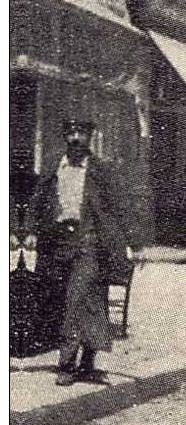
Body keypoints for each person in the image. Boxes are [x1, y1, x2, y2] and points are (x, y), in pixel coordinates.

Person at [26, 118, 139, 385]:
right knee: (85, 301)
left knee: (77, 300)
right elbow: (37, 200)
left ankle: (66, 365)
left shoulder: (101, 170)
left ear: (89, 138)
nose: (76, 138)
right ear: (65, 136)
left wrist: (133, 242)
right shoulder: (55, 166)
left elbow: (119, 206)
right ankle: (87, 363)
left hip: (90, 243)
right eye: (72, 133)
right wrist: (30, 230)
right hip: (58, 244)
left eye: (82, 133)